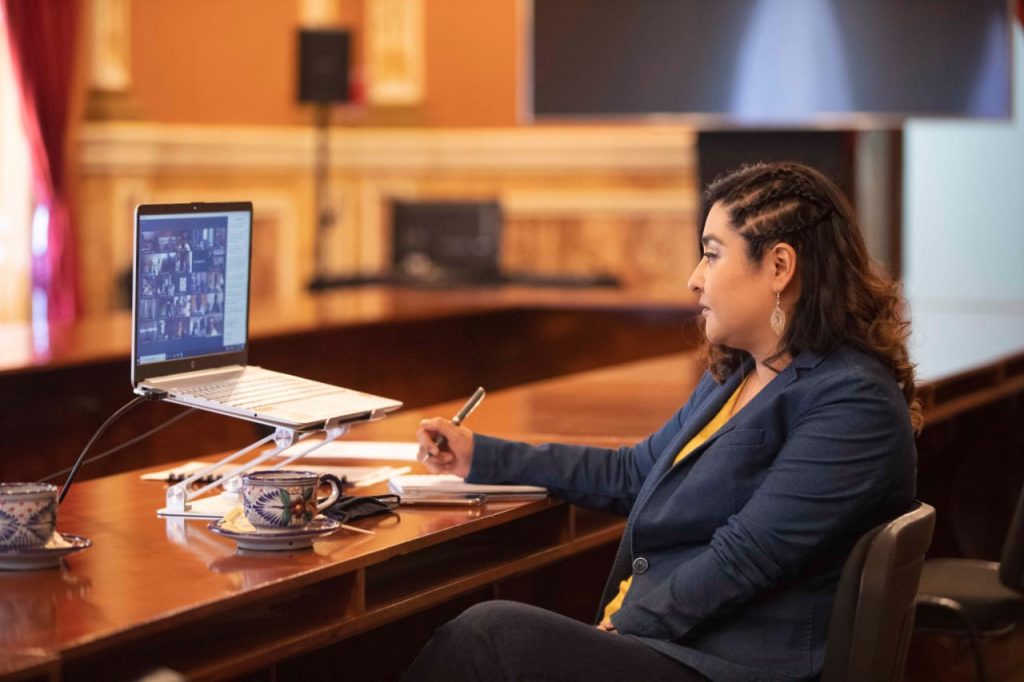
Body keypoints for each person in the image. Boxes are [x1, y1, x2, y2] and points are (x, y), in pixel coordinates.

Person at [404, 162, 920, 682]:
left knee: (490, 636)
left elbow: (747, 556)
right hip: (681, 645)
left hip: (733, 666)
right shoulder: (739, 373)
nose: (694, 279)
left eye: (712, 255)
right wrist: (481, 455)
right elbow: (634, 472)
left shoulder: (854, 400)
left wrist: (620, 629)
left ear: (780, 267)